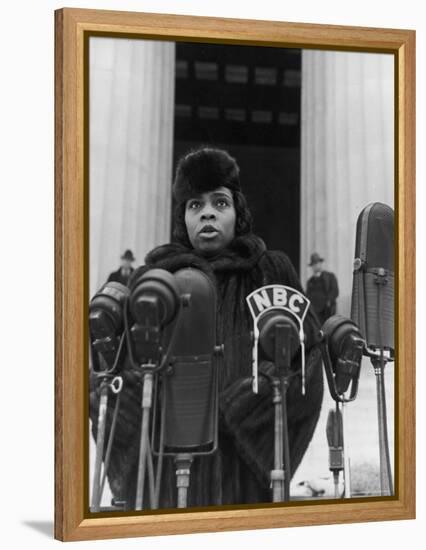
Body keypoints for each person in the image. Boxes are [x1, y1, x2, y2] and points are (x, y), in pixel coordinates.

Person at [89, 147, 324, 509]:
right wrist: (142, 402)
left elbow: (304, 366)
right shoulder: (153, 279)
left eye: (220, 202)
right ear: (182, 217)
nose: (208, 212)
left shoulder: (270, 273)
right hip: (163, 472)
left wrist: (238, 406)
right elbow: (114, 376)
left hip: (242, 474)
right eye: (195, 205)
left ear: (238, 212)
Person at [306, 252, 339, 325]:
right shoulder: (310, 281)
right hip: (315, 312)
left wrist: (329, 301)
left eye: (317, 263)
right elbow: (307, 295)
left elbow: (335, 291)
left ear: (320, 264)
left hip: (326, 311)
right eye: (314, 264)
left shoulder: (330, 277)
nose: (316, 266)